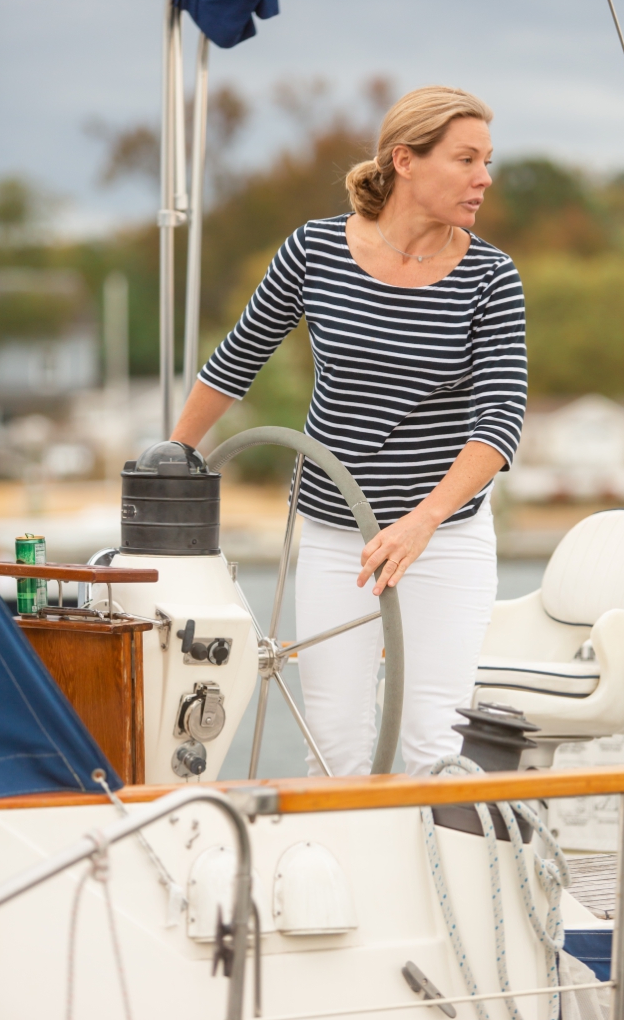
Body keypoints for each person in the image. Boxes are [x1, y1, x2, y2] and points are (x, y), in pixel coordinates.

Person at [171, 86, 526, 777]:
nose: (485, 177)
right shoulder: (314, 250)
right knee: (334, 749)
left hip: (443, 540)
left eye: (488, 160)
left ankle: (430, 883)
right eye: (466, 159)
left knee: (432, 746)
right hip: (336, 537)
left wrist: (422, 521)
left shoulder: (492, 276)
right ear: (407, 160)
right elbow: (238, 357)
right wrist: (171, 453)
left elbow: (500, 420)